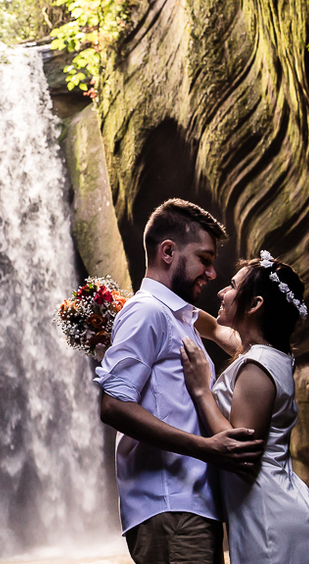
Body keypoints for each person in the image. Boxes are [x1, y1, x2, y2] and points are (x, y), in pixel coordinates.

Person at [95, 198, 263, 564]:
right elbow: (113, 405)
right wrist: (206, 448)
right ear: (168, 252)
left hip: (190, 505)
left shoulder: (175, 315)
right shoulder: (147, 312)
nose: (212, 272)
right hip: (169, 506)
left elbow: (222, 330)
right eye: (204, 258)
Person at [179, 251, 309, 564]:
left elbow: (239, 448)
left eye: (232, 286)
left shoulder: (257, 367)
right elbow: (216, 331)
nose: (221, 291)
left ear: (255, 304)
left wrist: (201, 389)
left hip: (269, 520)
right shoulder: (266, 353)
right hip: (275, 509)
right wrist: (150, 304)